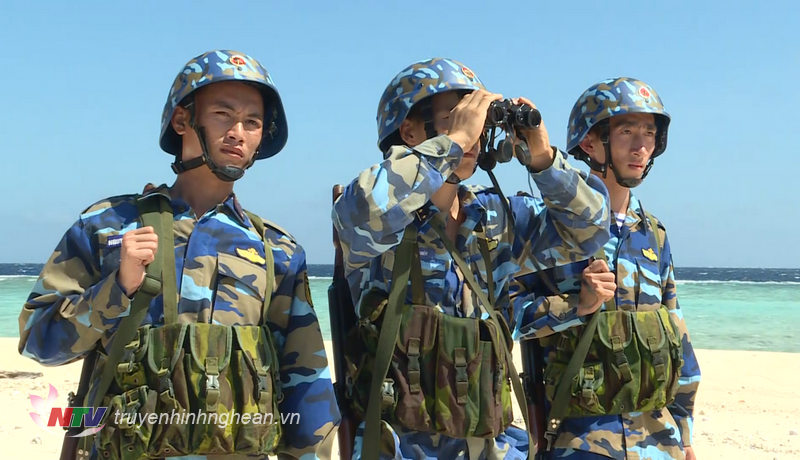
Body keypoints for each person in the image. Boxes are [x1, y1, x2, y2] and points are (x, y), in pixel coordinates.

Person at [18, 49, 339, 459]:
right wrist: (117, 290)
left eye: (252, 122)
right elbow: (39, 342)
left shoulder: (277, 251)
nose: (238, 132)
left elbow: (306, 386)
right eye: (223, 114)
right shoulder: (108, 226)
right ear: (182, 120)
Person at [331, 57, 611, 459]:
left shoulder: (495, 216)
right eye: (456, 117)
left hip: (490, 443)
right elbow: (361, 213)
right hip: (400, 447)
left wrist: (543, 159)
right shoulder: (379, 216)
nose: (474, 134)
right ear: (408, 131)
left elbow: (590, 228)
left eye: (477, 121)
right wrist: (454, 142)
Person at [512, 77, 700, 459]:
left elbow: (677, 336)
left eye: (649, 133)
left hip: (657, 441)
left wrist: (684, 434)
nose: (641, 146)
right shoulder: (548, 228)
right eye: (627, 131)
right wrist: (575, 306)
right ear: (589, 143)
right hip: (580, 441)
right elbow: (506, 315)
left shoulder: (653, 234)